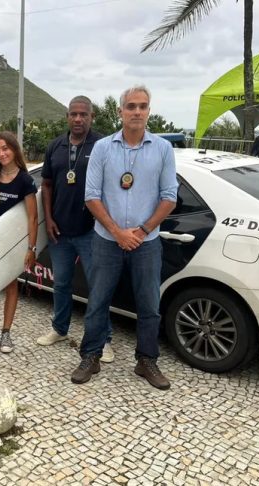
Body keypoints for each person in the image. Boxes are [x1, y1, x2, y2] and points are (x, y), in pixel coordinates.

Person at [74, 85, 178, 390]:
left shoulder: (162, 149)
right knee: (97, 301)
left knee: (149, 305)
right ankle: (91, 355)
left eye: (142, 106)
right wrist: (118, 232)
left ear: (149, 111)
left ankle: (147, 361)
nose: (136, 112)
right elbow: (91, 196)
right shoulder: (103, 148)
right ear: (120, 111)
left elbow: (169, 197)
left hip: (147, 243)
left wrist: (142, 231)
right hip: (107, 240)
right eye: (130, 106)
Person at [34, 96, 115, 363]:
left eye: (83, 114)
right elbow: (46, 185)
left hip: (93, 231)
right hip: (60, 230)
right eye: (73, 114)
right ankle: (59, 329)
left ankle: (103, 339)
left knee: (98, 287)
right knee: (62, 283)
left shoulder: (103, 145)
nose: (78, 119)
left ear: (92, 117)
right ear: (67, 117)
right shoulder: (55, 146)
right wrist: (49, 218)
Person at [0, 131, 38, 353]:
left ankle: (6, 333)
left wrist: (31, 248)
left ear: (14, 149)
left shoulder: (25, 180)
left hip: (11, 243)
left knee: (10, 285)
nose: (2, 153)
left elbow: (32, 217)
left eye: (6, 148)